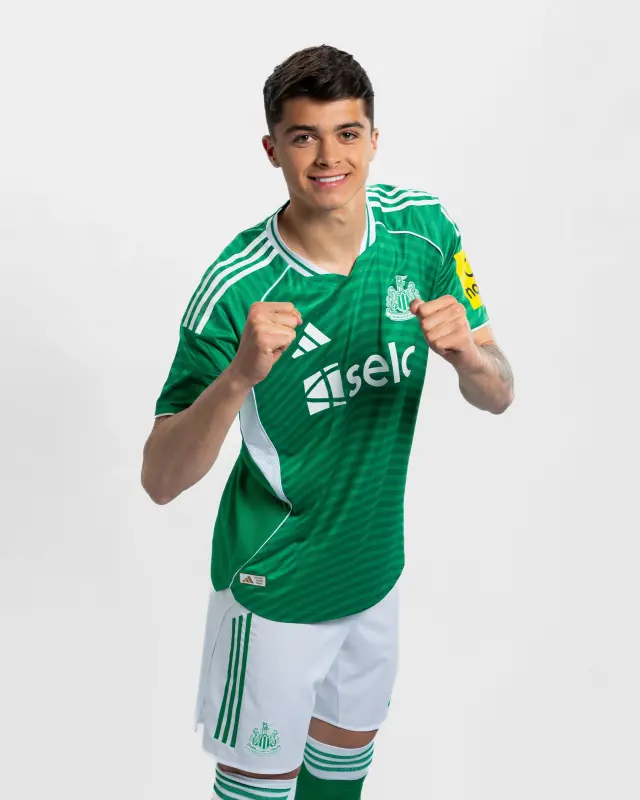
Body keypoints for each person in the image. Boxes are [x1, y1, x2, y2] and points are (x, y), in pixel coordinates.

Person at [142, 44, 514, 800]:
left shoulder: (425, 233)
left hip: (373, 575)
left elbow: (500, 389)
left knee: (341, 782)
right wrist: (237, 377)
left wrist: (469, 359)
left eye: (347, 133)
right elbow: (160, 477)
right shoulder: (237, 287)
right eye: (304, 137)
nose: (328, 158)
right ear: (272, 149)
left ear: (374, 139)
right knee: (258, 790)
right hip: (274, 588)